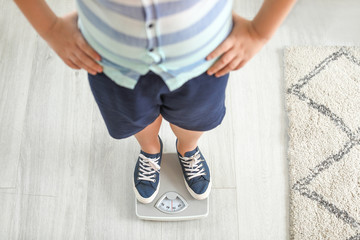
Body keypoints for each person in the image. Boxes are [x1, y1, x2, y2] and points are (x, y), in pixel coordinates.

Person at [13, 0, 297, 204]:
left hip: (204, 60)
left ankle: (187, 149)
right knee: (137, 119)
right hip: (111, 63)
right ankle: (151, 150)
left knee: (194, 120)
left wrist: (260, 32)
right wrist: (50, 28)